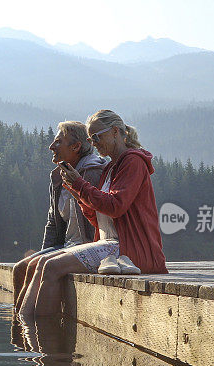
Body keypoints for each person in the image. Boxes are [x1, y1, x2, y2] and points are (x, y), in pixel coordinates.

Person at [19, 110, 168, 318]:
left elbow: (116, 206)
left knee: (51, 267)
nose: (93, 143)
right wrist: (78, 194)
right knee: (44, 263)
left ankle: (42, 340)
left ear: (116, 132)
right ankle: (26, 331)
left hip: (131, 251)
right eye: (90, 138)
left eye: (97, 137)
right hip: (112, 246)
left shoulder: (133, 162)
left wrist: (80, 186)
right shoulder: (110, 168)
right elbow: (99, 219)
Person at [12, 122, 106, 312]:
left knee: (38, 266)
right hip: (68, 245)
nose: (51, 147)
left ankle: (31, 327)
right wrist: (43, 254)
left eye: (58, 142)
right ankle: (19, 325)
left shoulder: (93, 172)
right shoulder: (58, 176)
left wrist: (43, 262)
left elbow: (103, 213)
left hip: (89, 246)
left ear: (76, 146)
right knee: (21, 269)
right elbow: (53, 224)